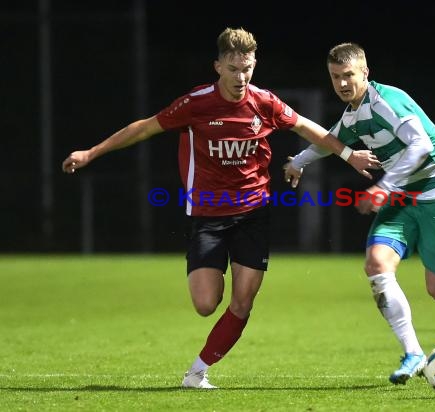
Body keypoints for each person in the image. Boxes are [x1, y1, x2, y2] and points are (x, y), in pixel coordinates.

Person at [62, 28, 380, 389]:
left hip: (253, 214)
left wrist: (349, 154)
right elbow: (143, 129)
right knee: (205, 303)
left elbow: (308, 128)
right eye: (233, 69)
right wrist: (91, 153)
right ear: (218, 67)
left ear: (254, 64)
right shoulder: (196, 103)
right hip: (207, 217)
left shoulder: (265, 102)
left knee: (243, 301)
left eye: (246, 68)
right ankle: (214, 275)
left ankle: (196, 373)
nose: (241, 77)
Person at [284, 42, 435, 385]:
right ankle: (414, 352)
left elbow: (421, 145)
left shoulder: (387, 101)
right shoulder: (353, 114)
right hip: (402, 197)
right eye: (335, 77)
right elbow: (330, 140)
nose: (343, 83)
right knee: (376, 263)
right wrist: (297, 162)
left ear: (365, 73)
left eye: (348, 75)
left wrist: (383, 187)